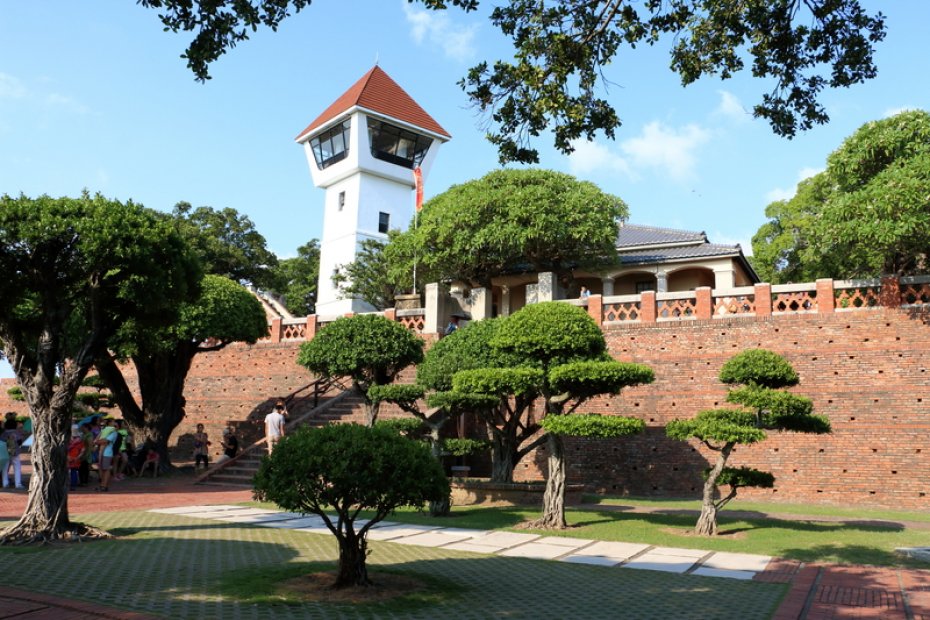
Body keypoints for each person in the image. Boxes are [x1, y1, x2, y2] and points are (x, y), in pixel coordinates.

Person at [95, 418, 118, 491]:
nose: (114, 423)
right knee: (102, 469)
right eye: (113, 421)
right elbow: (98, 440)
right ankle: (103, 485)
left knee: (106, 469)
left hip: (107, 453)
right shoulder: (106, 430)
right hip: (103, 452)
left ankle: (104, 486)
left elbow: (105, 441)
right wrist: (98, 441)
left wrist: (97, 441)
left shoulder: (113, 432)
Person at [1, 419, 24, 489]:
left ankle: (5, 483)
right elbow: (20, 442)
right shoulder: (17, 433)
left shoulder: (4, 433)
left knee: (5, 469)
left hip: (5, 453)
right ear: (15, 426)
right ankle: (18, 484)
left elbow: (1, 442)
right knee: (17, 467)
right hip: (15, 453)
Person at [67, 425, 85, 492]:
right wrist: (77, 457)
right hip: (76, 458)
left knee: (66, 472)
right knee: (74, 472)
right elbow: (83, 450)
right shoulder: (80, 440)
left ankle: (66, 485)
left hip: (67, 458)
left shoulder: (67, 439)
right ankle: (73, 486)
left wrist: (68, 457)